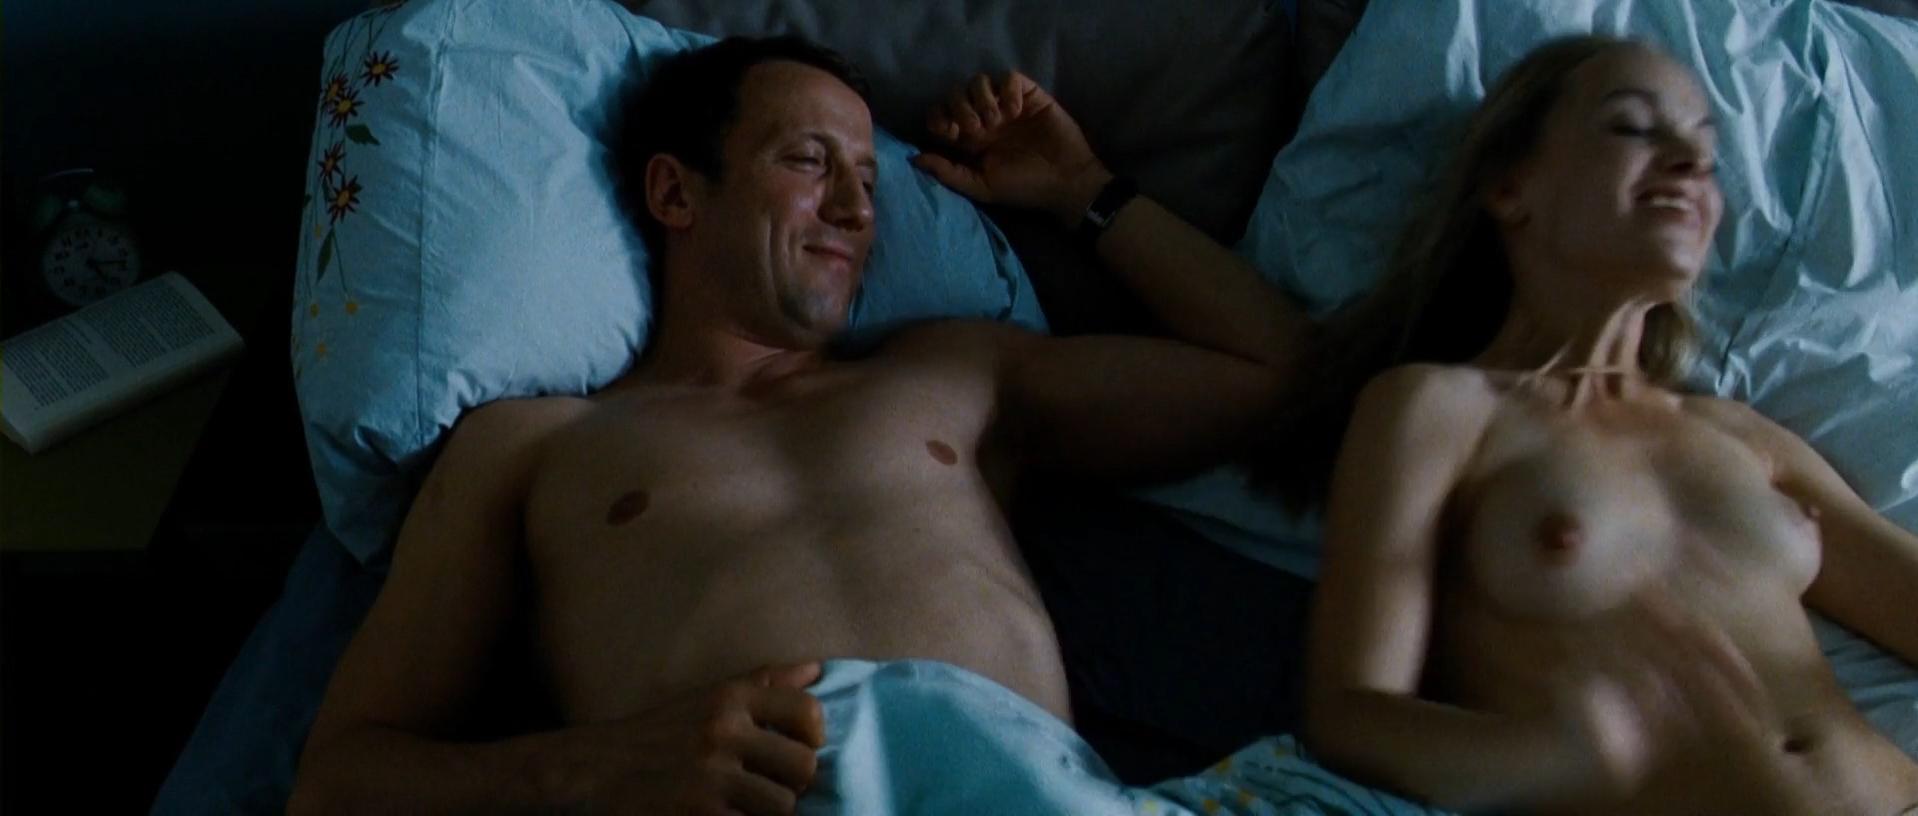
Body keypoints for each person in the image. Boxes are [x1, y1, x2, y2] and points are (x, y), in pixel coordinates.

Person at [287, 35, 1310, 815]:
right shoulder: (532, 444)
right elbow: (336, 782)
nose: (857, 210)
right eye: (811, 162)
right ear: (676, 192)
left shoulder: (955, 372)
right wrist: (598, 768)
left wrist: (1085, 191)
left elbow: (1279, 373)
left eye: (868, 180)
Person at [1294, 35, 1918, 814]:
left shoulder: (1739, 436)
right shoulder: (1437, 409)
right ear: (1510, 187)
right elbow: (1350, 717)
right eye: (1632, 127)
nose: (1689, 163)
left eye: (1706, 153)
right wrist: (1560, 756)